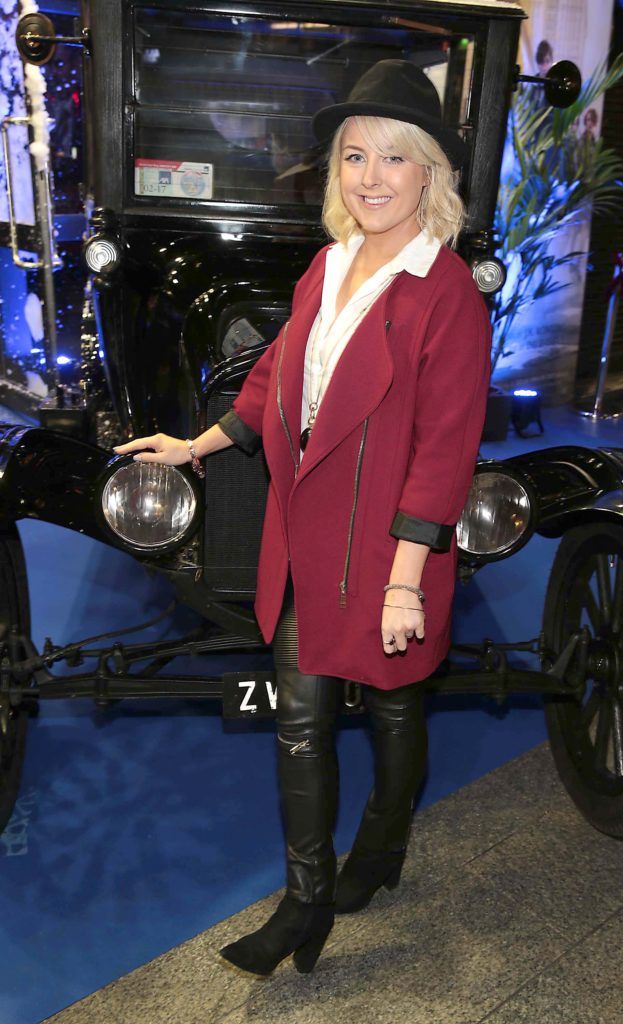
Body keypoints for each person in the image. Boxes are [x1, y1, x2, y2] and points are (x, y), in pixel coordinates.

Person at [114, 59, 491, 978]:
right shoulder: (324, 267)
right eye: (353, 156)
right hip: (308, 533)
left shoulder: (445, 294)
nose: (368, 177)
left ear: (428, 174)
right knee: (301, 722)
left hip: (392, 547)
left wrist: (405, 583)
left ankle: (384, 844)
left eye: (392, 159)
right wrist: (195, 446)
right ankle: (305, 902)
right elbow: (278, 377)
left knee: (397, 714)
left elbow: (443, 452)